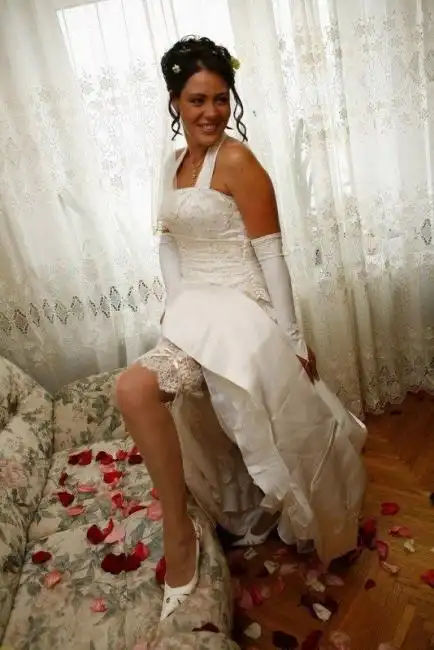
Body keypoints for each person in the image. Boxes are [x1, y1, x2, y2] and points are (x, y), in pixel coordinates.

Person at [116, 36, 367, 622]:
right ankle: (191, 525)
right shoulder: (169, 164)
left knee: (146, 392)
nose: (211, 112)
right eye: (197, 100)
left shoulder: (238, 162)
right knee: (139, 391)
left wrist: (293, 339)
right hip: (194, 309)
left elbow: (271, 255)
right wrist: (176, 311)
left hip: (242, 307)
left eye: (221, 99)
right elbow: (168, 243)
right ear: (175, 102)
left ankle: (186, 536)